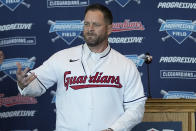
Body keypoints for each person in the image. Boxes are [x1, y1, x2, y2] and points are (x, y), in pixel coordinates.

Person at [16, 3, 146, 131]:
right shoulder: (62, 57)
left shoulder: (125, 65)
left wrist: (113, 129)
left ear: (109, 29)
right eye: (86, 24)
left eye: (96, 24)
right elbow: (35, 85)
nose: (90, 29)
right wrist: (24, 84)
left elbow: (136, 108)